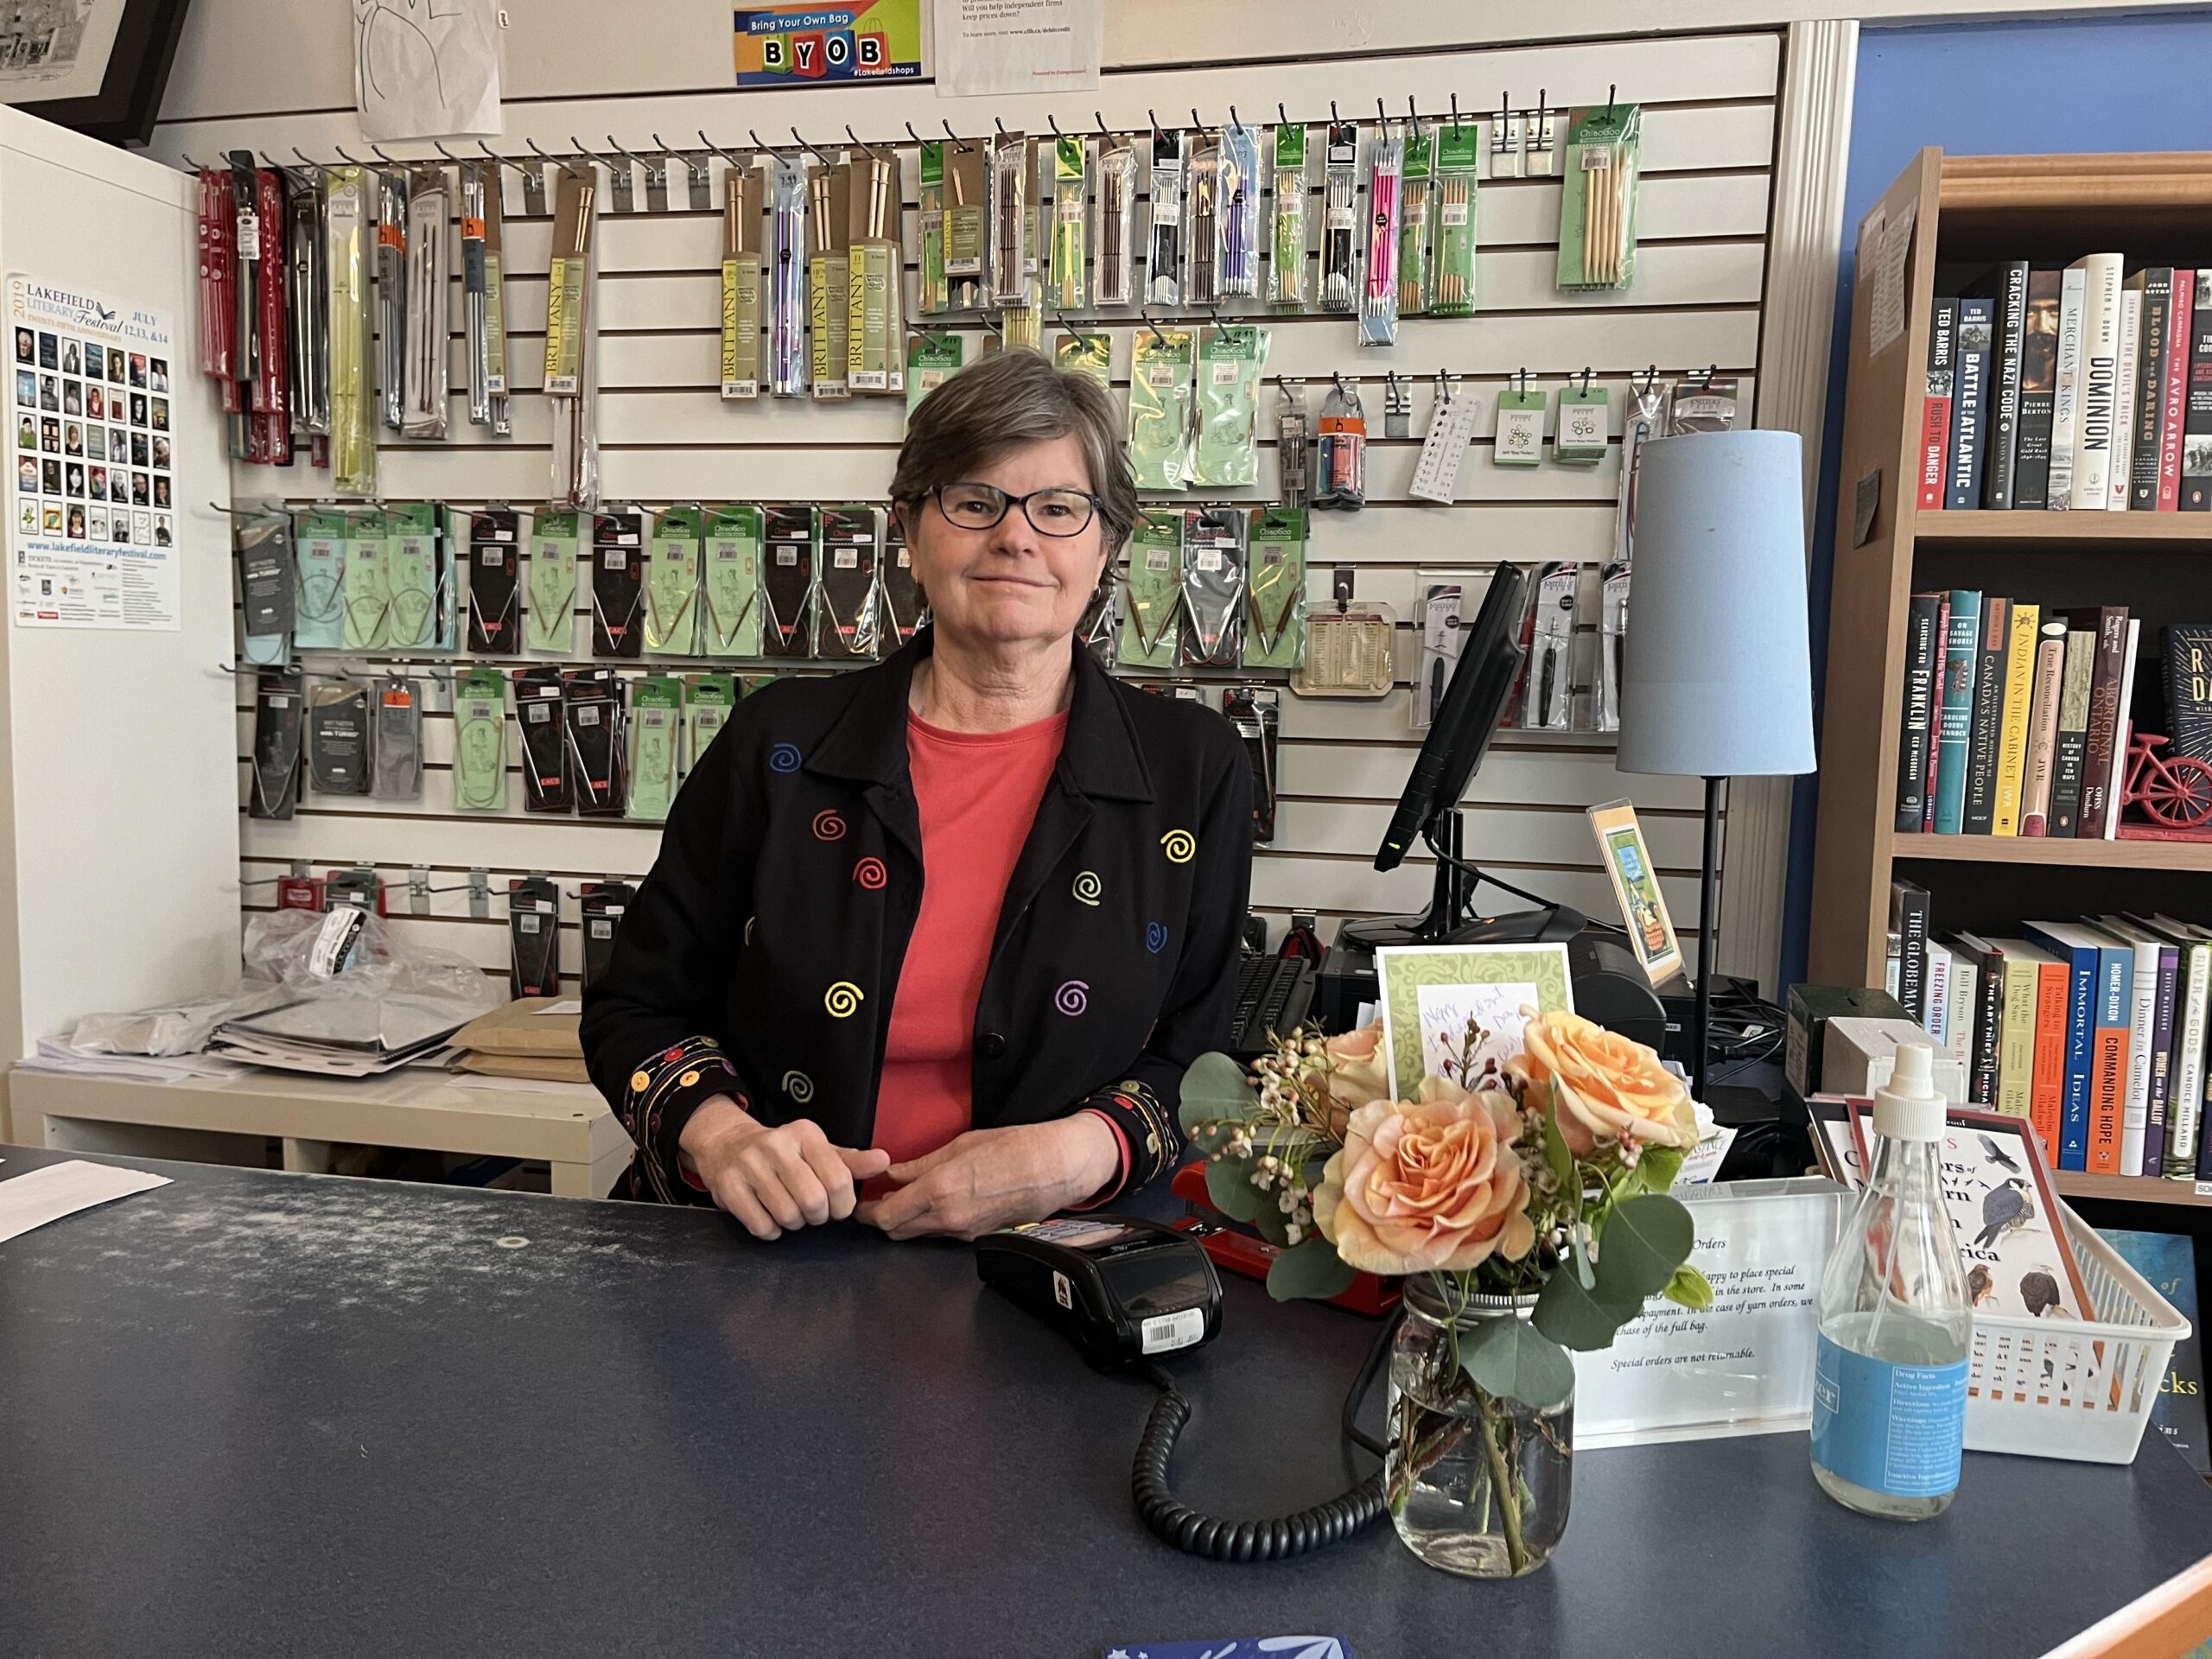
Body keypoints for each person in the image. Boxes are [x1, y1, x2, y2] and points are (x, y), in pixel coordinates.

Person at [583, 351, 1252, 1241]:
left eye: (1058, 509)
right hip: (756, 1261)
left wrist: (1073, 1156)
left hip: (1045, 1277)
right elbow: (635, 1007)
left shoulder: (1191, 769)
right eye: (974, 503)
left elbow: (1206, 1057)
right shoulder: (777, 745)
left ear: (1107, 546)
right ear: (910, 530)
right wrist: (722, 1137)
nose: (1016, 537)